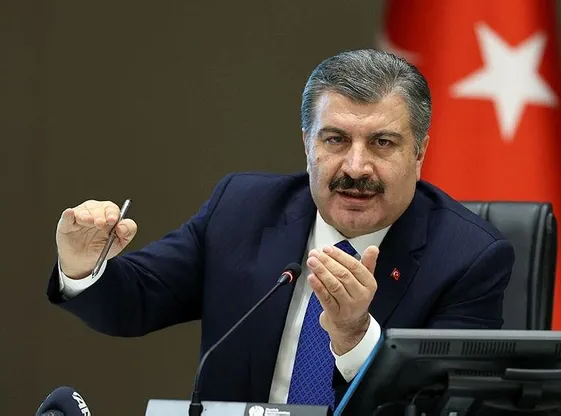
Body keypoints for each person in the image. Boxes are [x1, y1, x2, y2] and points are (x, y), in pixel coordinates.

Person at [47, 49, 515, 410]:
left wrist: (355, 337)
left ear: (419, 153)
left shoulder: (468, 256)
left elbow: (445, 405)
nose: (356, 167)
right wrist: (83, 265)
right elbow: (134, 304)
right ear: (307, 144)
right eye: (335, 140)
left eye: (382, 143)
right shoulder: (242, 208)